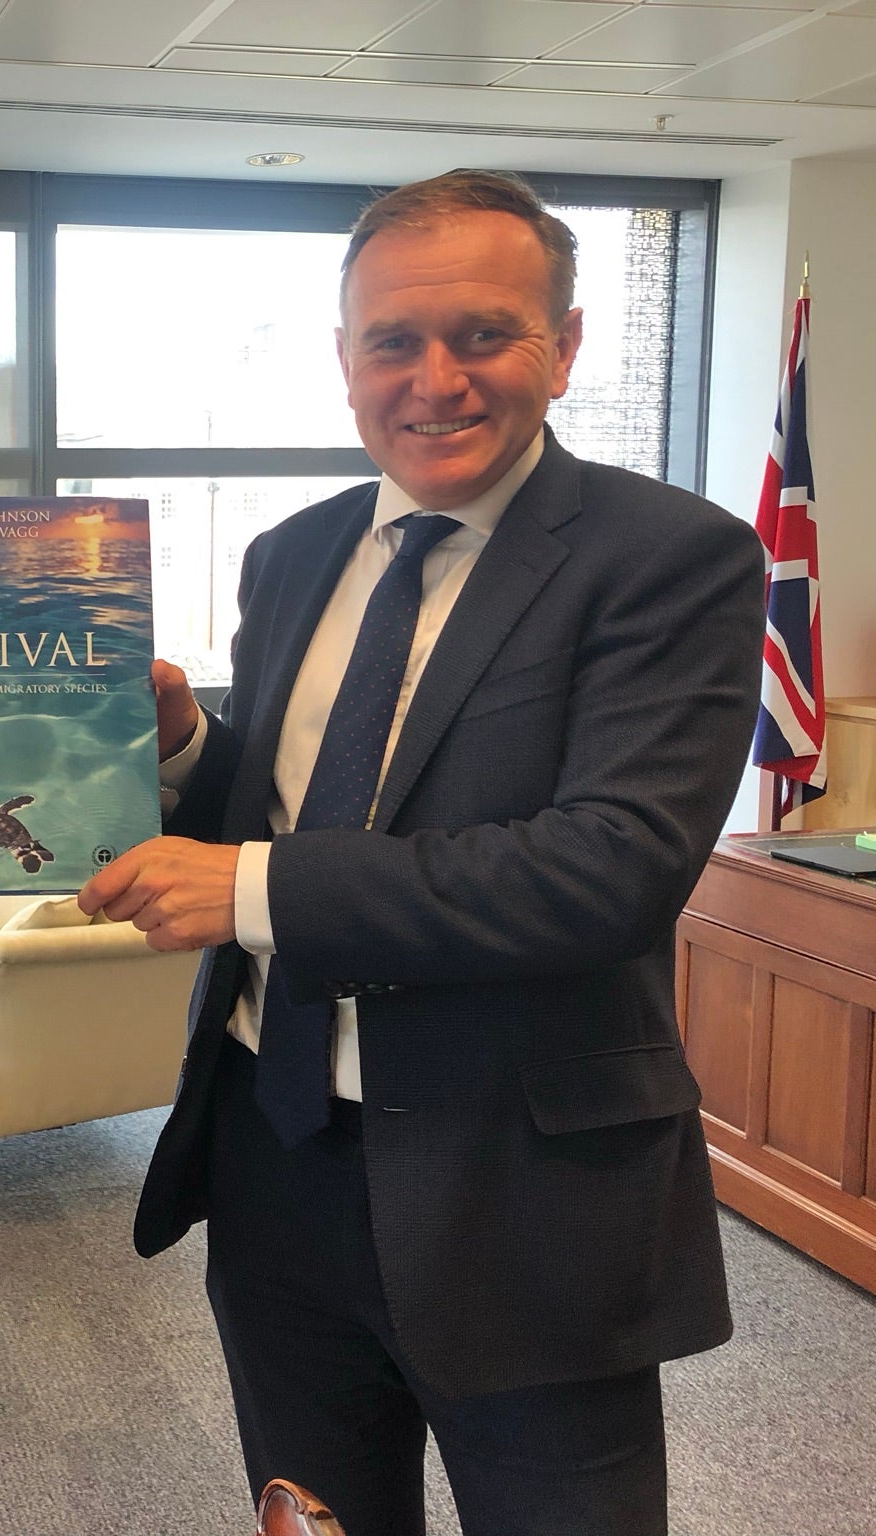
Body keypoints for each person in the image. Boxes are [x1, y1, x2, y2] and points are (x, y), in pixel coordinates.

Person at [81, 170, 765, 1535]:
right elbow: (280, 814)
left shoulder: (671, 559)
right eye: (393, 339)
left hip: (520, 1188)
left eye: (485, 333)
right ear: (345, 362)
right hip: (275, 1157)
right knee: (314, 1517)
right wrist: (179, 754)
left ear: (565, 347)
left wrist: (252, 890)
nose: (435, 378)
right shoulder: (291, 554)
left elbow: (608, 868)